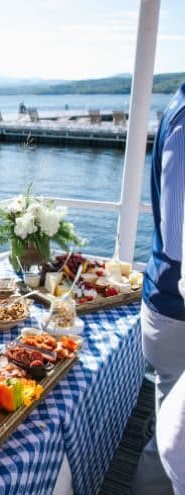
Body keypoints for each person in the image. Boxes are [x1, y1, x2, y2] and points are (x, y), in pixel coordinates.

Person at [132, 83, 185, 494]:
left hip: (168, 305)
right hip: (174, 309)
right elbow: (176, 242)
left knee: (169, 423)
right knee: (173, 438)